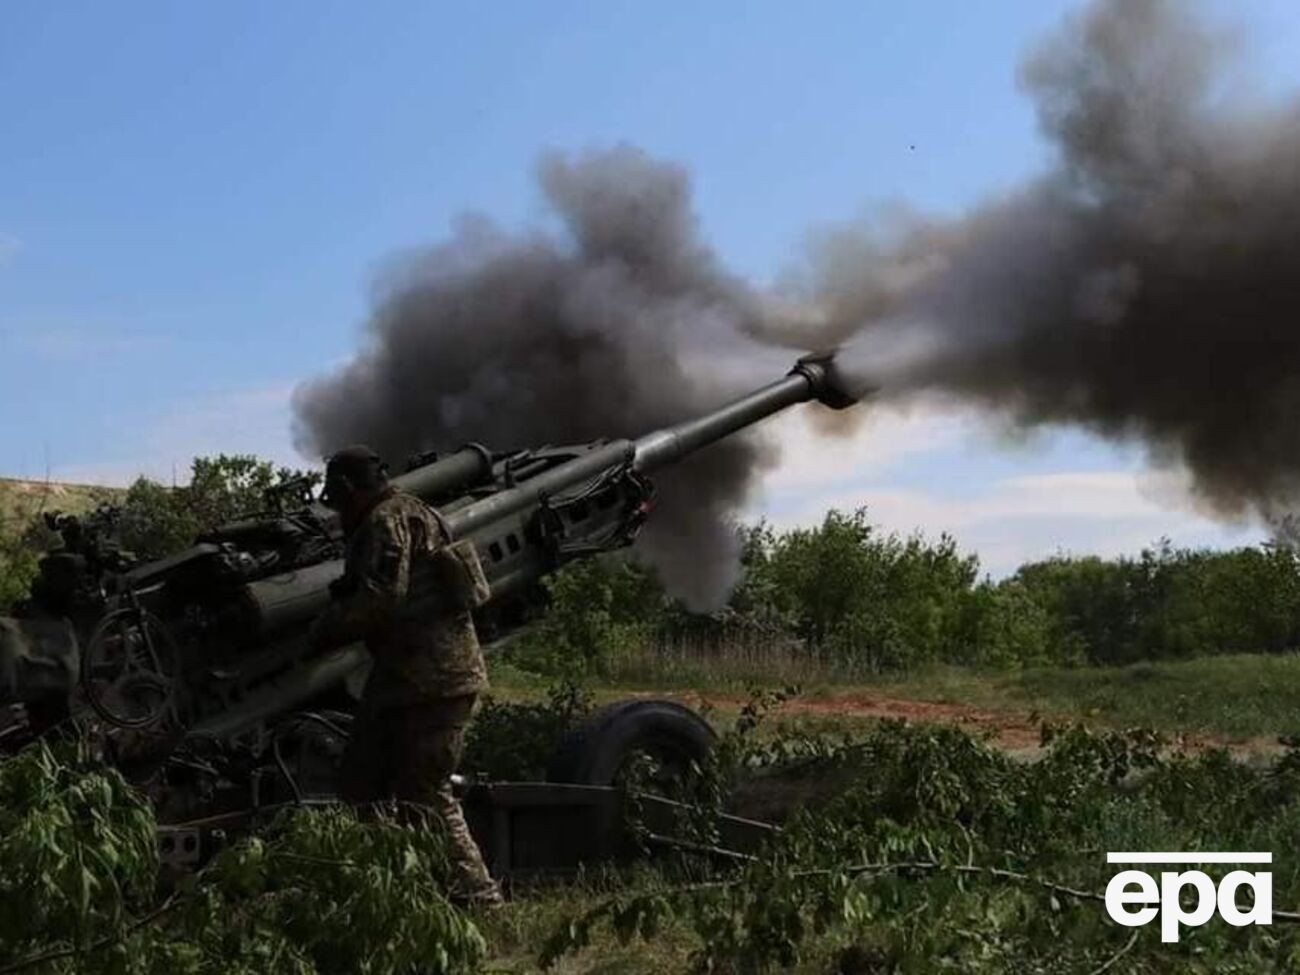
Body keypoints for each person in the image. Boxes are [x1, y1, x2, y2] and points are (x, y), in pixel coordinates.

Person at [307, 444, 502, 906]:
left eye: (338, 498)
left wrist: (322, 629)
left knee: (425, 794)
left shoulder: (386, 520)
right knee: (361, 782)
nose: (338, 511)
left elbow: (381, 599)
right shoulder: (416, 512)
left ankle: (476, 896)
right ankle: (382, 893)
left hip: (431, 680)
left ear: (351, 489)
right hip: (410, 678)